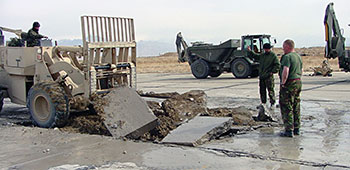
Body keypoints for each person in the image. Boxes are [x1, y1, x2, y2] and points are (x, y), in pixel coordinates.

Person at [279, 39, 303, 137]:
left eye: (284, 47)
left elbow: (286, 71)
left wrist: (283, 83)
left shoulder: (287, 57)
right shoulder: (298, 56)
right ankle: (297, 128)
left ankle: (288, 130)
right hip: (298, 82)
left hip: (289, 83)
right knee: (296, 105)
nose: (283, 49)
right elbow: (301, 70)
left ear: (288, 47)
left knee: (286, 105)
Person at [248, 43, 280, 109]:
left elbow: (277, 65)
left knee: (270, 90)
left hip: (268, 77)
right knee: (262, 91)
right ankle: (263, 103)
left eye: (267, 49)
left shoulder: (273, 56)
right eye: (265, 49)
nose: (266, 50)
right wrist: (250, 51)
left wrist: (272, 72)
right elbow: (256, 56)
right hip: (262, 76)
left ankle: (272, 103)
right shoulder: (263, 55)